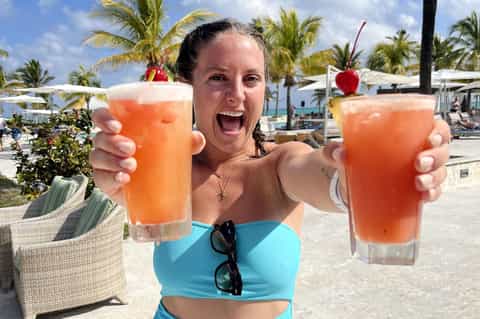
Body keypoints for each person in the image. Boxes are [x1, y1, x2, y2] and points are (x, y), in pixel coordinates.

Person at [89, 19, 451, 319]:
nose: (236, 94)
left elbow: (324, 177)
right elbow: (132, 189)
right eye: (217, 77)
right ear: (186, 89)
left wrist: (365, 174)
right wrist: (116, 174)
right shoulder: (164, 172)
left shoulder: (280, 163)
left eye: (251, 79)